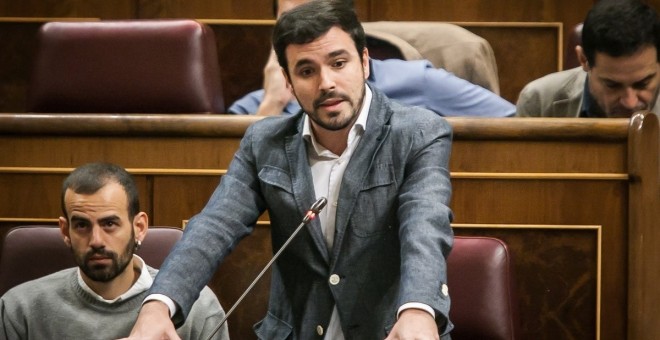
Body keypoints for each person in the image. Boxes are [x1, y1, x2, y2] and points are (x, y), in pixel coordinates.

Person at [127, 1, 454, 339]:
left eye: (339, 63)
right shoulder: (264, 142)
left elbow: (425, 226)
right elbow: (213, 227)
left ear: (365, 62)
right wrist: (158, 305)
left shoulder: (419, 133)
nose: (326, 83)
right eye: (307, 71)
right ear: (288, 80)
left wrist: (418, 308)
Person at [0, 162, 229, 340]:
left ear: (139, 227)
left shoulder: (198, 308)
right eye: (81, 225)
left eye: (109, 224)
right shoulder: (19, 309)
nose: (96, 240)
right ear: (65, 230)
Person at [227, 0, 515, 118]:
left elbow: (516, 127)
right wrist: (271, 105)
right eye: (289, 18)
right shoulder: (253, 107)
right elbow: (229, 191)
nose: (303, 30)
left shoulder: (418, 81)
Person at [516, 0, 660, 118]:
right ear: (584, 59)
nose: (630, 102)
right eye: (612, 85)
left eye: (643, 84)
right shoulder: (538, 101)